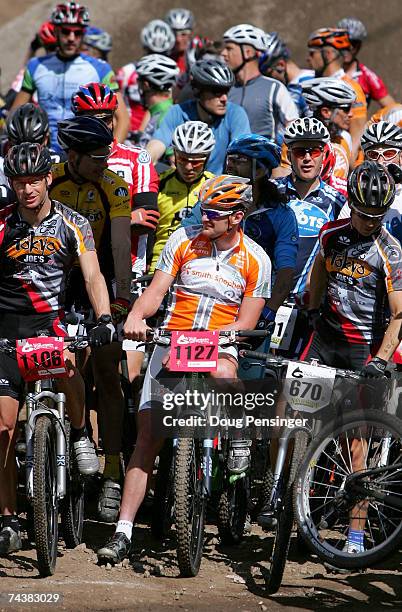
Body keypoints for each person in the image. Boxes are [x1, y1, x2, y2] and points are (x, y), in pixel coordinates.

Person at [96, 175, 271, 563]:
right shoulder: (183, 239)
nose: (204, 217)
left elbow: (247, 322)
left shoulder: (257, 258)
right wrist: (136, 318)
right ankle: (123, 530)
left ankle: (238, 436)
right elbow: (156, 293)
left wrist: (222, 336)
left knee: (226, 376)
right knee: (147, 437)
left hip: (220, 342)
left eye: (214, 212)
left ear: (237, 217)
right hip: (173, 340)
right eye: (203, 209)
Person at [0, 142, 114, 554]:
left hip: (50, 325)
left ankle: (81, 434)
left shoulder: (74, 223)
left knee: (69, 370)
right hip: (7, 331)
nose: (27, 189)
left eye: (34, 180)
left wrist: (103, 319)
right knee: (3, 429)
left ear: (49, 179)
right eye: (19, 182)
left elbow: (93, 276)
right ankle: (10, 519)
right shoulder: (1, 223)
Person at [305, 161, 402, 553]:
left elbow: (399, 314)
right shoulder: (331, 235)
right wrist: (312, 309)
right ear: (351, 205)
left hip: (363, 350)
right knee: (288, 412)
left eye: (377, 216)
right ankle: (279, 498)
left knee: (354, 442)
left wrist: (381, 359)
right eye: (363, 215)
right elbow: (318, 274)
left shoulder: (390, 251)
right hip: (325, 339)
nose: (369, 222)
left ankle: (357, 535)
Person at [50, 116, 132, 522]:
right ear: (72, 156)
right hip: (54, 283)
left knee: (107, 371)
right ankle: (64, 447)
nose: (105, 162)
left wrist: (120, 303)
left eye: (107, 155)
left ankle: (113, 471)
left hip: (99, 280)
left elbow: (119, 249)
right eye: (96, 158)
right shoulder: (47, 180)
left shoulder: (114, 186)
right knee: (65, 366)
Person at [10, 2, 129, 151]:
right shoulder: (35, 66)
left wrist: (110, 152)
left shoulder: (101, 68)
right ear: (56, 32)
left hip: (85, 153)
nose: (71, 38)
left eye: (77, 33)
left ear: (83, 34)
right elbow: (15, 113)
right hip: (43, 153)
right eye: (66, 32)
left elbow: (123, 118)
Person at [146, 58, 251, 174]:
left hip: (220, 186)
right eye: (217, 92)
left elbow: (242, 156)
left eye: (226, 91)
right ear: (198, 90)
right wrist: (144, 162)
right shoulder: (177, 112)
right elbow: (156, 145)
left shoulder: (236, 113)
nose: (224, 99)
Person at [150, 120, 215, 272]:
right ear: (174, 154)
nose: (188, 167)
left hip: (199, 266)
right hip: (160, 264)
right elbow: (148, 230)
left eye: (196, 162)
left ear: (207, 158)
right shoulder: (159, 182)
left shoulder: (214, 185)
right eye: (182, 159)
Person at [221, 24, 298, 142]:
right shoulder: (225, 90)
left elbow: (294, 129)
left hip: (265, 158)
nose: (223, 53)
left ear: (248, 52)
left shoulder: (274, 88)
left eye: (229, 48)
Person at [307, 28, 367, 164]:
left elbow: (356, 138)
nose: (308, 59)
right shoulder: (316, 84)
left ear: (328, 54)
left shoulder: (351, 87)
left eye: (312, 53)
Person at [339, 121, 402, 244]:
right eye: (373, 154)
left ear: (400, 156)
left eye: (388, 153)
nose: (380, 161)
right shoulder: (358, 192)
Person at [116, 19, 176, 134]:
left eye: (162, 55)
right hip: (129, 133)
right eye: (151, 53)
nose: (155, 60)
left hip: (157, 129)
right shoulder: (126, 72)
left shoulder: (172, 73)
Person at [337, 17, 395, 108]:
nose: (349, 48)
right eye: (344, 43)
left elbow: (392, 108)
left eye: (354, 44)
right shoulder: (326, 70)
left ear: (359, 46)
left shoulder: (368, 76)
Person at [258, 31, 311, 117]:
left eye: (268, 74)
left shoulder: (307, 85)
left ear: (281, 65)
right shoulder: (289, 87)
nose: (268, 79)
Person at [135, 54, 180, 150]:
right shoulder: (160, 111)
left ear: (146, 85)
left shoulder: (165, 116)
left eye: (140, 82)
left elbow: (172, 162)